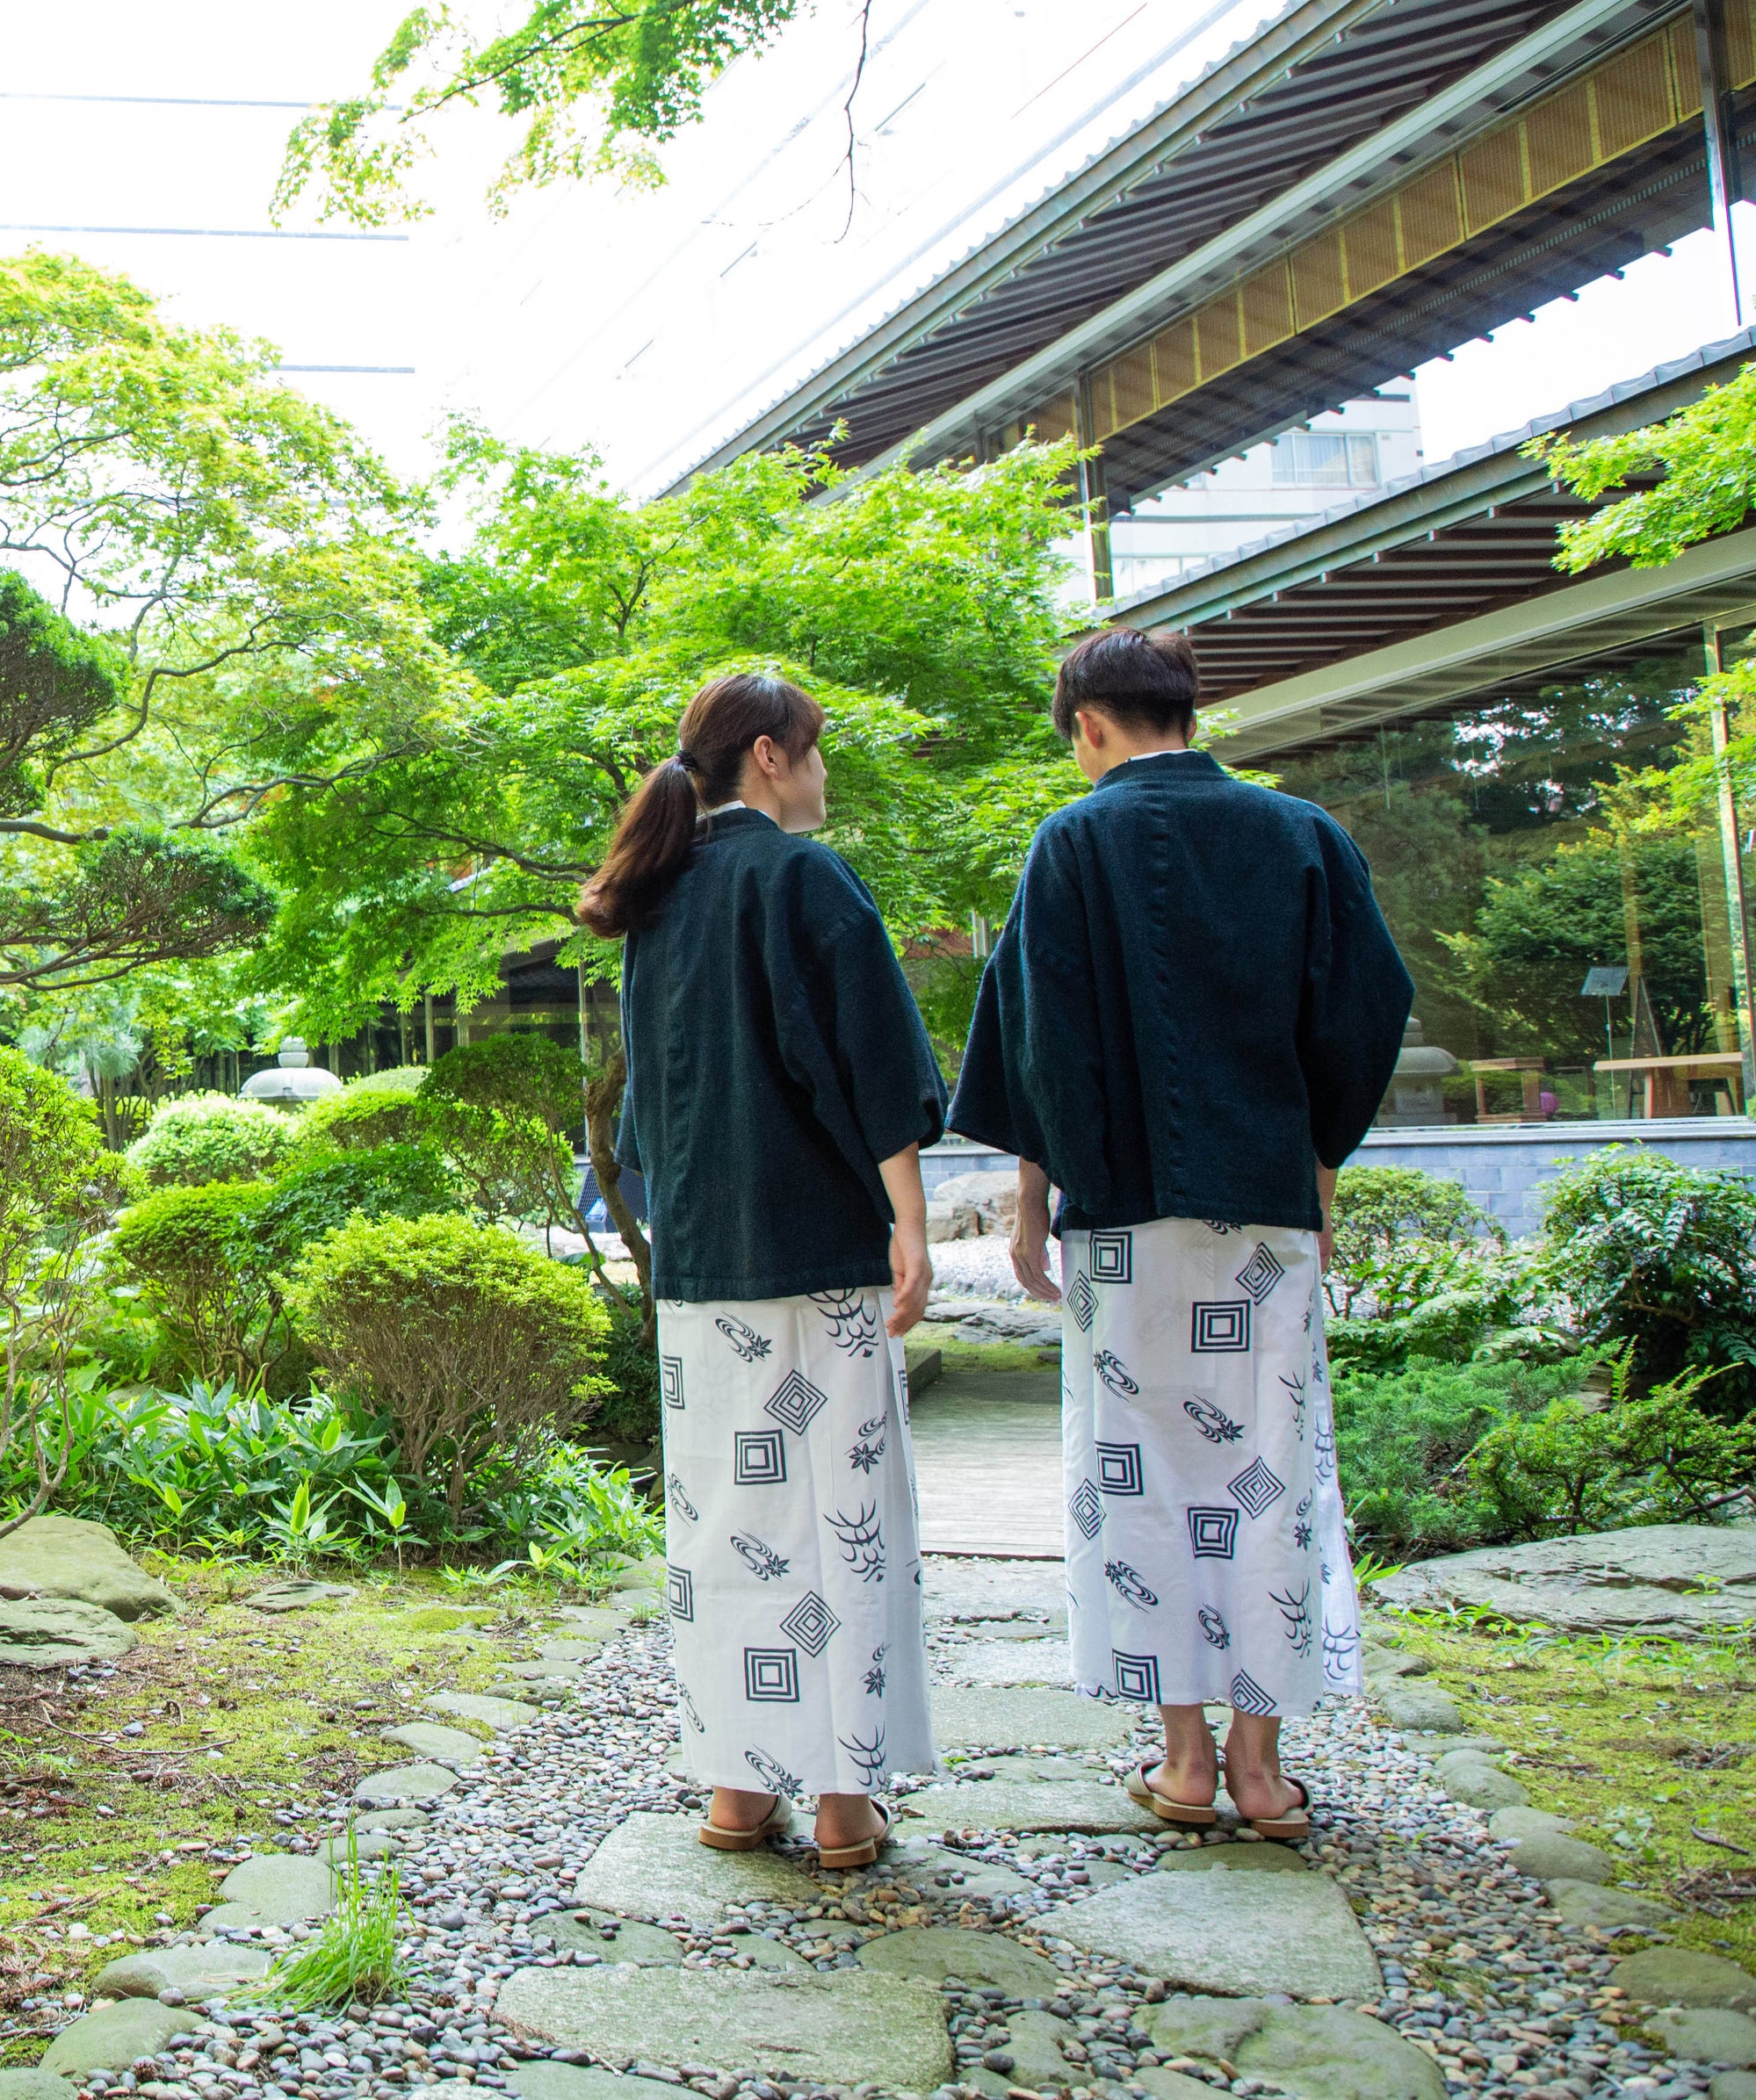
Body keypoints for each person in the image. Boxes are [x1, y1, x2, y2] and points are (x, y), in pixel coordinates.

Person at [949, 627, 1409, 1844]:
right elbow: (1367, 1009)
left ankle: (1186, 1761)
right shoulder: (1302, 834)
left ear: (1090, 727)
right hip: (1265, 1208)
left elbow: (1038, 1039)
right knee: (1269, 1470)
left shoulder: (1072, 842)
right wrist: (1318, 1163)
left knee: (1143, 1475)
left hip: (1125, 1222)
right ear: (1189, 715)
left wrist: (1033, 1202)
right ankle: (1263, 1771)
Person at [575, 671, 942, 1871]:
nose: (824, 775)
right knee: (841, 1519)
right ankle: (842, 1802)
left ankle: (736, 1788)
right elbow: (873, 1062)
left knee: (726, 1527)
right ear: (772, 755)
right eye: (817, 751)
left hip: (701, 1270)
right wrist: (910, 1223)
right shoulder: (803, 878)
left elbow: (647, 1113)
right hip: (817, 1255)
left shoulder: (660, 895)